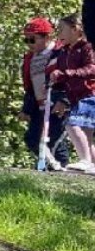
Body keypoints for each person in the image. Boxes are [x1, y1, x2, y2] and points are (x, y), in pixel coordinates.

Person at [18, 17, 69, 169]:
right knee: (32, 138)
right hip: (39, 107)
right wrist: (26, 109)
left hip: (57, 105)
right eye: (25, 40)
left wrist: (64, 101)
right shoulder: (30, 58)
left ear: (47, 37)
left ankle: (61, 170)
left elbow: (69, 79)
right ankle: (52, 166)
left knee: (54, 140)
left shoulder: (60, 53)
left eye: (32, 39)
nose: (28, 44)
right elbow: (31, 87)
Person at [47, 14, 95, 173]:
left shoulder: (87, 47)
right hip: (75, 96)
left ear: (75, 30)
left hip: (89, 94)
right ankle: (91, 164)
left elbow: (91, 69)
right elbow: (61, 75)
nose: (59, 33)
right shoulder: (65, 51)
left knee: (72, 124)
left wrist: (66, 73)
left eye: (62, 29)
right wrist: (56, 80)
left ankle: (86, 161)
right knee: (86, 134)